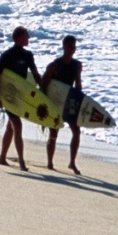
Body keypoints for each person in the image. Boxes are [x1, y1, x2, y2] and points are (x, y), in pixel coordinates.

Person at [0, 26, 42, 171]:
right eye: (26, 35)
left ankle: (2, 158)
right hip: (7, 96)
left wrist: (42, 89)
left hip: (19, 96)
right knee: (17, 125)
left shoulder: (28, 55)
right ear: (18, 37)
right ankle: (21, 162)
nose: (29, 38)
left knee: (11, 127)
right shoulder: (7, 55)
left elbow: (35, 73)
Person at [42, 34, 83, 175]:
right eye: (71, 47)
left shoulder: (77, 65)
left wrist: (79, 101)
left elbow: (78, 85)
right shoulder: (54, 66)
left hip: (69, 102)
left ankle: (72, 162)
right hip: (56, 102)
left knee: (76, 131)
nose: (73, 50)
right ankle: (50, 162)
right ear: (64, 47)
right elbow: (44, 85)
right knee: (54, 133)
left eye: (74, 47)